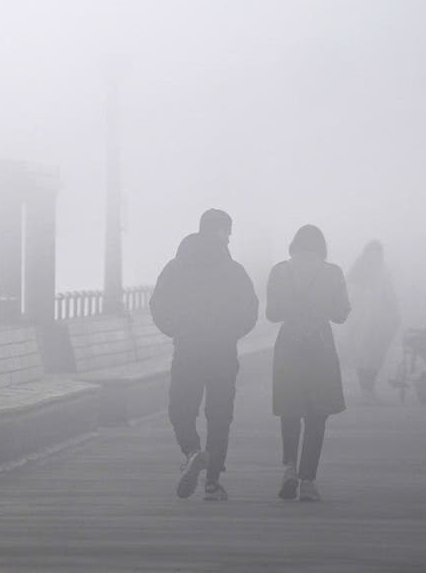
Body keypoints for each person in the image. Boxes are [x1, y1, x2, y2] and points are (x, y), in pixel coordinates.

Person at [149, 208, 258, 501]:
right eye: (228, 231)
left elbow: (158, 304)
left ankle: (192, 451)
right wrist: (232, 332)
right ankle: (212, 482)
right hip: (222, 351)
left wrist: (177, 330)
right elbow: (251, 309)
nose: (230, 237)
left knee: (180, 409)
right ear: (220, 232)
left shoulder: (176, 266)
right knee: (220, 415)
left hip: (188, 349)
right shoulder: (233, 270)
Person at [266, 225, 350, 502]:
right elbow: (340, 315)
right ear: (321, 246)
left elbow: (272, 314)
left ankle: (288, 467)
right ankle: (308, 480)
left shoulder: (279, 271)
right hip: (320, 347)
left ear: (294, 244)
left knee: (289, 411)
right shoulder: (332, 272)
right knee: (317, 415)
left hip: (289, 345)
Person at [342, 241, 399, 403]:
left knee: (375, 356)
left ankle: (368, 388)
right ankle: (366, 389)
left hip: (380, 321)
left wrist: (394, 314)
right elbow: (350, 294)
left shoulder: (383, 272)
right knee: (364, 355)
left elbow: (390, 295)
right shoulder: (358, 272)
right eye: (372, 253)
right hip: (362, 320)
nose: (375, 257)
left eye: (377, 253)